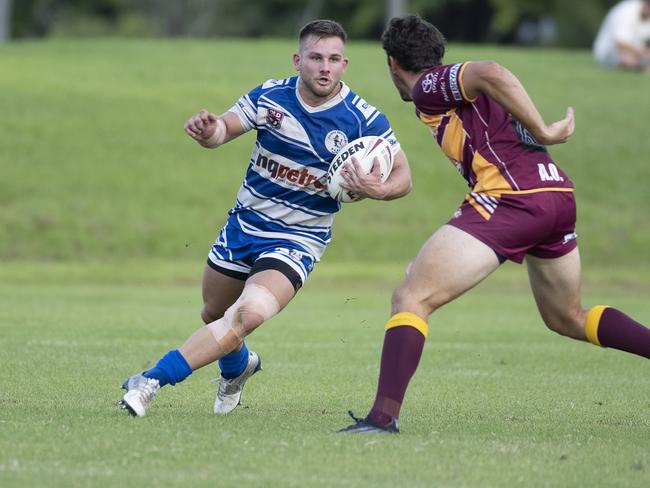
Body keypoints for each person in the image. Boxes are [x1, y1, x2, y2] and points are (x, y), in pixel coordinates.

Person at [340, 15, 650, 434]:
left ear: (393, 63)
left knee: (411, 296)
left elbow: (489, 72)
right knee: (566, 318)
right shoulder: (451, 93)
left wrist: (543, 128)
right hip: (555, 194)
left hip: (511, 198)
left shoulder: (427, 87)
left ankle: (381, 420)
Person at [119, 19, 412, 417]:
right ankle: (238, 368)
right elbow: (222, 130)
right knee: (213, 313)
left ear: (345, 64)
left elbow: (403, 177)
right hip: (245, 225)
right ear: (298, 60)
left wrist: (378, 189)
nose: (324, 67)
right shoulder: (270, 97)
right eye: (315, 57)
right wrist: (207, 131)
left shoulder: (364, 119)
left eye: (333, 59)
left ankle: (151, 380)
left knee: (247, 314)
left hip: (299, 238)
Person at [593, 0, 650, 72]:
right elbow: (621, 44)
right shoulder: (627, 10)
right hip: (609, 51)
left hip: (635, 53)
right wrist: (644, 52)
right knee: (627, 59)